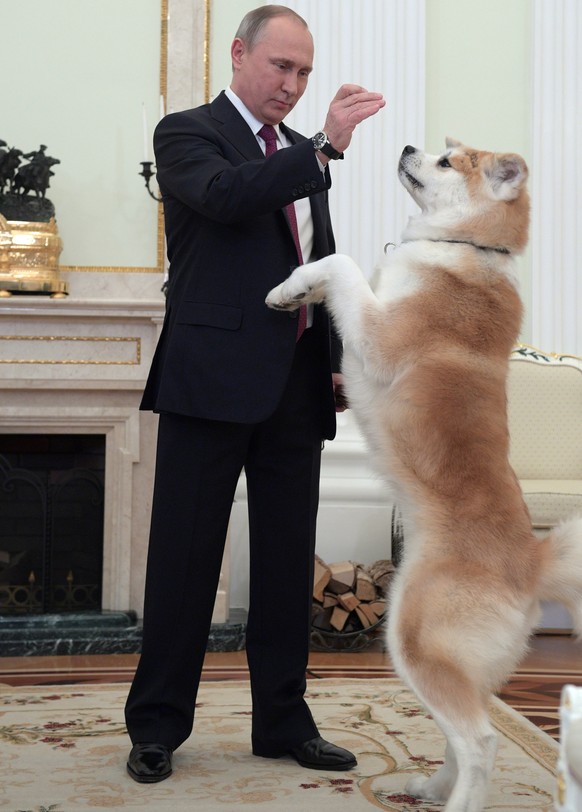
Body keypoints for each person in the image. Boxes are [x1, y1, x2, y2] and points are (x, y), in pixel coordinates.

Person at [125, 4, 385, 783]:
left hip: (297, 386)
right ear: (239, 55)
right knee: (184, 561)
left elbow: (319, 260)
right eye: (281, 67)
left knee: (281, 568)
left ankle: (282, 721)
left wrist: (335, 358)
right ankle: (158, 727)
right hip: (210, 383)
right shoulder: (186, 133)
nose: (293, 84)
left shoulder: (303, 158)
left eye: (304, 72)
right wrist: (324, 147)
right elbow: (230, 196)